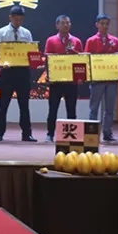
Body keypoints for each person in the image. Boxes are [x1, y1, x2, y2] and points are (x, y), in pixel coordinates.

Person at [0, 6, 36, 142]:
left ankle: (27, 133)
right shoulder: (1, 32)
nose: (18, 21)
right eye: (16, 19)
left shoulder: (26, 33)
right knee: (3, 104)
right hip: (7, 72)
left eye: (21, 19)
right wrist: (2, 62)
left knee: (24, 105)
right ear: (10, 17)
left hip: (23, 72)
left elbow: (31, 52)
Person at [43, 14, 84, 142]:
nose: (66, 25)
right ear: (57, 25)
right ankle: (50, 134)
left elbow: (81, 60)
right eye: (63, 23)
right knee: (53, 108)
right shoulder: (51, 40)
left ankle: (72, 134)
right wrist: (48, 75)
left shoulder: (76, 41)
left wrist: (80, 76)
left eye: (68, 23)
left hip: (71, 81)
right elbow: (48, 59)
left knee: (71, 108)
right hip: (56, 81)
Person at [84, 14, 118, 142]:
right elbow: (86, 60)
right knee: (94, 108)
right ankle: (92, 133)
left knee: (110, 108)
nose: (105, 26)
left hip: (111, 80)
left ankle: (107, 133)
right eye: (102, 23)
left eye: (107, 24)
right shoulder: (91, 41)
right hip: (96, 80)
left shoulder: (115, 41)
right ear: (97, 25)